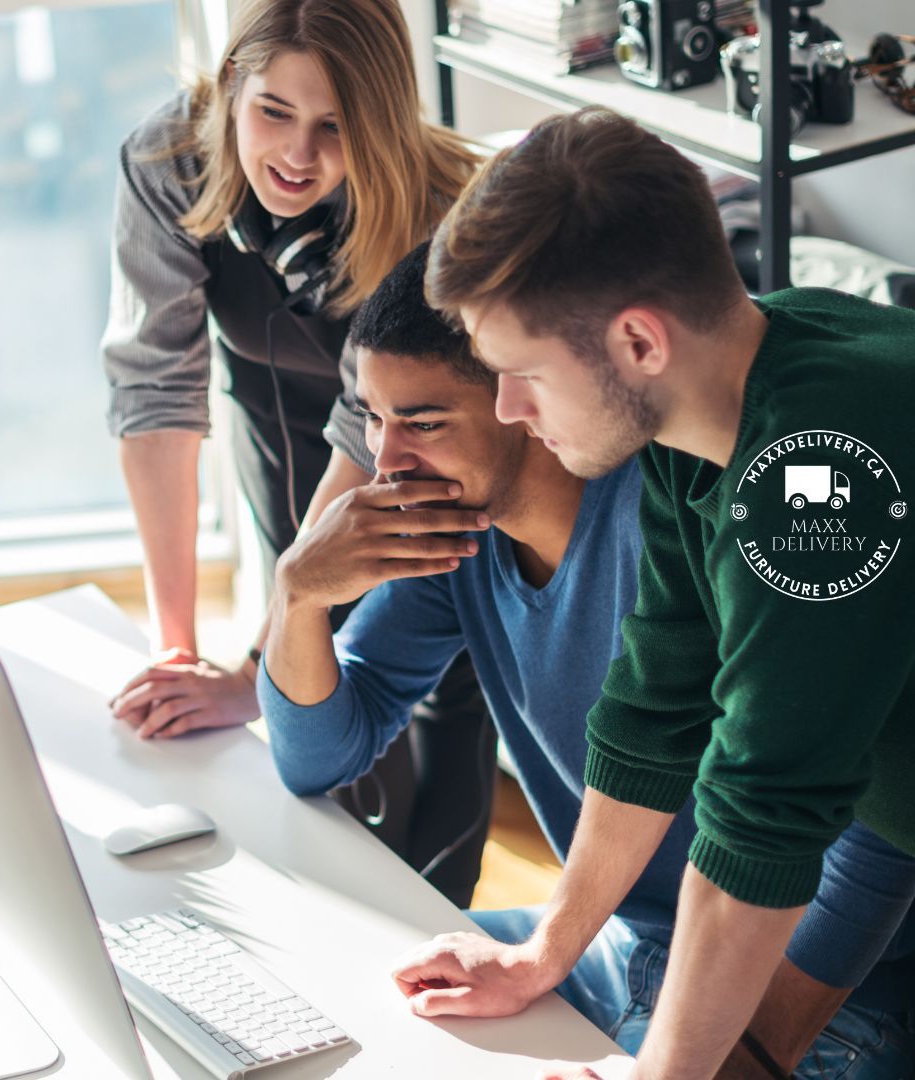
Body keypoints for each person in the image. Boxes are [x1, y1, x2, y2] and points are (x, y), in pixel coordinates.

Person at [259, 242, 915, 1077]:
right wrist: (299, 594)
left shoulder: (732, 495)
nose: (385, 463)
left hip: (804, 996)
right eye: (374, 418)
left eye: (422, 421)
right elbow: (319, 756)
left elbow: (869, 830)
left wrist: (743, 1052)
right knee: (329, 987)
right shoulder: (459, 534)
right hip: (626, 946)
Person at [101, 0, 491, 904]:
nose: (296, 156)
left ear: (383, 121)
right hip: (278, 443)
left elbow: (369, 429)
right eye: (273, 111)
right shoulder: (167, 165)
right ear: (233, 84)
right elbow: (156, 395)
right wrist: (181, 649)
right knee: (309, 781)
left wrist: (257, 666)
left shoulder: (440, 214)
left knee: (423, 814)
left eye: (335, 126)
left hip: (414, 477)